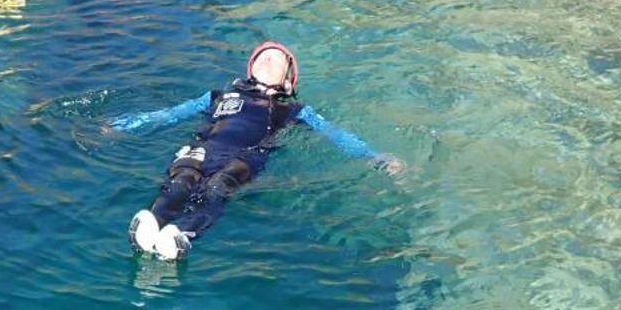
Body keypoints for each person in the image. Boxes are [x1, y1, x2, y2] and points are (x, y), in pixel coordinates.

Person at [110, 41, 402, 260]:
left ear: (289, 81)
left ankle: (182, 233)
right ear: (249, 70)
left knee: (218, 187)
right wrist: (124, 126)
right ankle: (154, 220)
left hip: (246, 156)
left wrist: (374, 157)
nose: (268, 58)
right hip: (203, 147)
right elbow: (169, 114)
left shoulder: (295, 110)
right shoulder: (218, 96)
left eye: (278, 59)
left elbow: (337, 134)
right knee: (182, 179)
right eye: (263, 56)